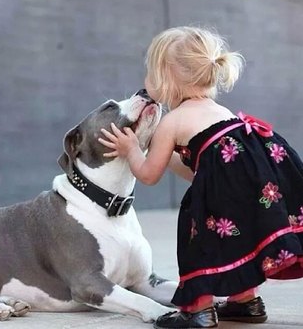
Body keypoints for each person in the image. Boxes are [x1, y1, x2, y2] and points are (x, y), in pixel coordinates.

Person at [98, 26, 303, 328]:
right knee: (239, 241)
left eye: (149, 74)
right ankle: (245, 302)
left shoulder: (172, 121)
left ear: (166, 79)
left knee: (202, 241)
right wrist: (167, 157)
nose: (145, 82)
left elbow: (148, 175)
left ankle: (199, 311)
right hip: (259, 178)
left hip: (235, 188)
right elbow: (203, 171)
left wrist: (132, 151)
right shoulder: (219, 110)